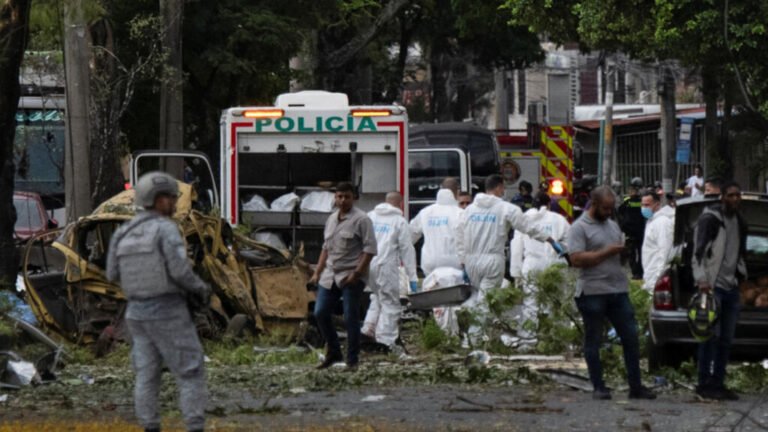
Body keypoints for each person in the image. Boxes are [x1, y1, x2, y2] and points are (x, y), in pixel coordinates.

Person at [106, 171, 210, 432]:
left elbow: (111, 274)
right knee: (190, 370)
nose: (174, 203)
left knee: (147, 375)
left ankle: (150, 428)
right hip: (168, 310)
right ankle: (195, 427)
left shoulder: (123, 232)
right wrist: (201, 289)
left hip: (136, 314)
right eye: (171, 198)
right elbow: (179, 271)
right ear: (159, 199)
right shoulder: (165, 229)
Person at [567, 186, 656, 401]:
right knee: (594, 340)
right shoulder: (579, 228)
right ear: (594, 205)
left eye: (611, 209)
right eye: (605, 209)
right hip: (593, 291)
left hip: (617, 289)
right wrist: (607, 252)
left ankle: (635, 386)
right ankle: (599, 386)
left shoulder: (613, 225)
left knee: (631, 338)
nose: (608, 212)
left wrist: (624, 253)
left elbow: (617, 257)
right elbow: (575, 259)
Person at [456, 175, 562, 333]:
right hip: (492, 260)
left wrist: (463, 261)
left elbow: (460, 235)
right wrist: (549, 238)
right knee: (485, 302)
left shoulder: (468, 210)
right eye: (503, 188)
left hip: (471, 262)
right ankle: (474, 338)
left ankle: (475, 332)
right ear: (499, 188)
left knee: (479, 298)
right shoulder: (506, 208)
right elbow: (527, 227)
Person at [310, 182, 377, 370]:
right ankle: (334, 352)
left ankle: (352, 360)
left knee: (350, 317)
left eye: (346, 196)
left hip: (351, 275)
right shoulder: (331, 219)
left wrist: (357, 273)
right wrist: (317, 272)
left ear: (353, 197)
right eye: (339, 196)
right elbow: (326, 248)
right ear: (335, 197)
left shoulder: (362, 219)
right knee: (320, 312)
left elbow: (370, 249)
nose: (342, 200)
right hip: (330, 274)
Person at [692, 181, 746, 401]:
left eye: (738, 196)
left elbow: (740, 252)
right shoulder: (710, 220)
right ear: (722, 197)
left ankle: (718, 382)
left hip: (731, 288)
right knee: (709, 337)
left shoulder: (740, 222)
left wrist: (741, 276)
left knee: (726, 339)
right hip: (712, 288)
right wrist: (702, 280)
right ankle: (704, 383)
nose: (735, 199)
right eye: (731, 195)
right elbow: (697, 253)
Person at [509, 192, 570, 350]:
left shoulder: (524, 220)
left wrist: (516, 273)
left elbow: (516, 248)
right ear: (549, 204)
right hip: (554, 263)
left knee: (531, 302)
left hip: (532, 263)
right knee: (557, 301)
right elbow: (569, 244)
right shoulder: (559, 219)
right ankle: (559, 338)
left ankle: (529, 339)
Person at [362, 192, 417, 350]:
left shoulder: (369, 217)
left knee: (377, 297)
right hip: (386, 266)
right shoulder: (399, 221)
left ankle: (368, 329)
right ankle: (385, 341)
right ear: (400, 204)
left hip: (367, 264)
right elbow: (407, 250)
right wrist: (412, 276)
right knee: (391, 303)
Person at [410, 188, 463, 274]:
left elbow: (411, 235)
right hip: (453, 261)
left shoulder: (425, 212)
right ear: (456, 194)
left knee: (432, 285)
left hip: (430, 261)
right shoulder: (460, 213)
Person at [640, 190, 675, 293]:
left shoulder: (662, 223)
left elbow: (665, 252)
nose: (644, 208)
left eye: (647, 205)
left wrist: (658, 278)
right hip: (650, 274)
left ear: (657, 204)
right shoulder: (652, 221)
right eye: (642, 205)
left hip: (656, 278)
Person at [617, 177, 646, 279]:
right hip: (639, 231)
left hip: (633, 231)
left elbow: (620, 212)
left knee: (634, 252)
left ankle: (636, 273)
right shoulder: (643, 200)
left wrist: (623, 225)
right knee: (637, 252)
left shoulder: (628, 201)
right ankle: (638, 272)